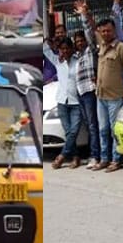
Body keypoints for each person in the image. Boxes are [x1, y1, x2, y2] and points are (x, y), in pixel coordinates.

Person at [91, 19, 123, 173]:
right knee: (103, 129)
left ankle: (116, 160)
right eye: (103, 31)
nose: (105, 33)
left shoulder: (122, 48)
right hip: (100, 96)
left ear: (114, 31)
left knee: (114, 130)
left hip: (115, 96)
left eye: (108, 30)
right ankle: (104, 159)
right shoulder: (101, 46)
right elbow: (91, 27)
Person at [43, 37, 82, 169]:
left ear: (71, 49)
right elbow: (45, 48)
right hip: (61, 101)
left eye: (67, 48)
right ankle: (76, 157)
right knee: (68, 132)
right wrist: (48, 39)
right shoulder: (58, 62)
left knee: (73, 131)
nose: (64, 51)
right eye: (62, 49)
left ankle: (61, 156)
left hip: (76, 101)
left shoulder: (78, 62)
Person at [73, 0, 102, 169]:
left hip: (90, 90)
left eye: (81, 40)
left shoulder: (91, 50)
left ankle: (95, 155)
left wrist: (84, 14)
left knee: (93, 125)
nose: (80, 43)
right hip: (81, 93)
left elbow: (90, 32)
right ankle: (92, 154)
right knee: (89, 124)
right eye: (77, 42)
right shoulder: (76, 57)